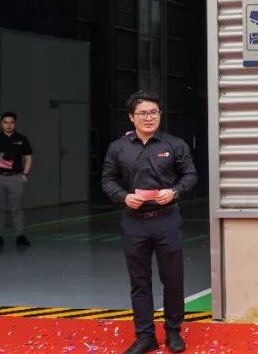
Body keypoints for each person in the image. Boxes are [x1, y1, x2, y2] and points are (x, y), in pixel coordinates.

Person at [102, 90, 197, 354]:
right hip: (134, 222)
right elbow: (107, 180)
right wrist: (124, 197)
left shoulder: (174, 144)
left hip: (167, 220)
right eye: (142, 113)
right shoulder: (118, 148)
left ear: (160, 115)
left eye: (153, 112)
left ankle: (173, 332)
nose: (149, 117)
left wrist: (174, 191)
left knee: (173, 279)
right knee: (139, 281)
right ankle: (145, 336)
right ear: (131, 117)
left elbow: (190, 175)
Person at [0, 112, 34, 248]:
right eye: (5, 122)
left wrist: (25, 174)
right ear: (1, 124)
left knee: (16, 208)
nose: (8, 125)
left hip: (16, 177)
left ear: (15, 124)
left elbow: (28, 157)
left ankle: (20, 235)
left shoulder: (21, 139)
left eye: (11, 122)